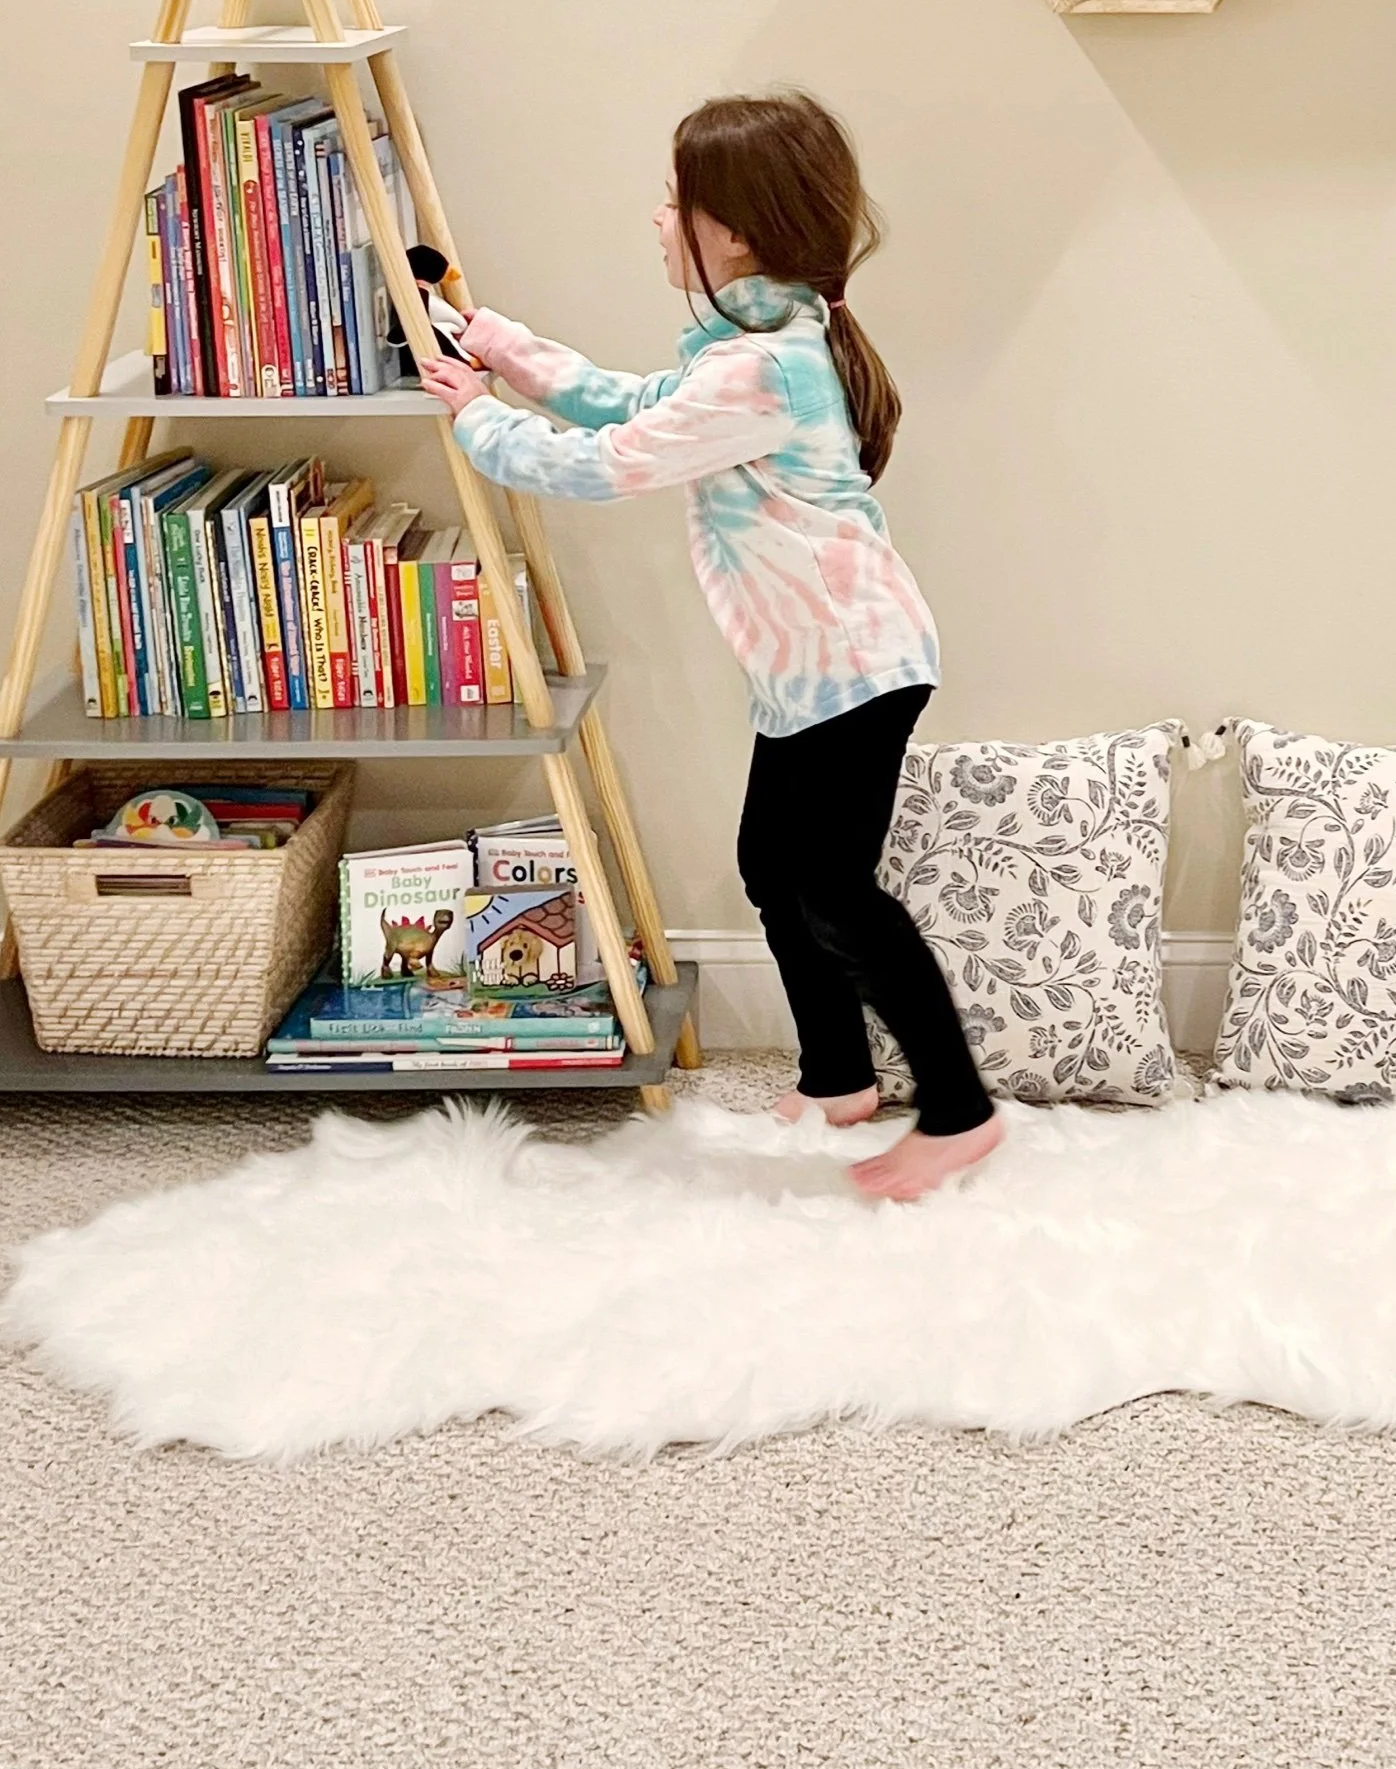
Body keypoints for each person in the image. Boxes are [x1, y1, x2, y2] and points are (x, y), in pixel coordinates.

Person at [416, 89, 1000, 1201]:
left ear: (735, 231)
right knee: (774, 871)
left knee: (832, 889)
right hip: (809, 668)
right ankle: (838, 1076)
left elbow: (610, 463)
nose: (655, 219)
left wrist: (478, 418)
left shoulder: (763, 365)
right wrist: (496, 346)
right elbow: (629, 402)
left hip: (854, 666)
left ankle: (959, 1112)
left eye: (674, 202)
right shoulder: (746, 344)